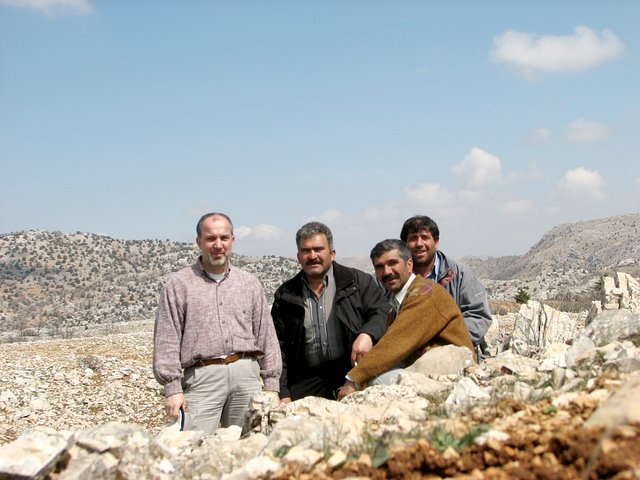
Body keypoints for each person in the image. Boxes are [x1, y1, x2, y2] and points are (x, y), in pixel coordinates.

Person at [153, 212, 281, 434]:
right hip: (202, 379)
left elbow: (265, 335)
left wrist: (271, 385)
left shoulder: (249, 283)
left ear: (232, 240)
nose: (218, 245)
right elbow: (167, 338)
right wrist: (172, 388)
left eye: (224, 238)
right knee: (195, 447)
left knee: (251, 445)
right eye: (211, 239)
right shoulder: (179, 285)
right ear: (199, 242)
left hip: (246, 376)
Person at [338, 239, 474, 399]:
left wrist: (354, 379)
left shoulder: (424, 293)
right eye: (380, 267)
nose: (387, 271)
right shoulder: (398, 302)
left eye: (393, 263)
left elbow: (394, 344)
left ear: (409, 264)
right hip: (427, 369)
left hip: (451, 372)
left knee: (376, 383)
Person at [271, 221, 390, 402]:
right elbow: (279, 348)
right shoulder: (286, 294)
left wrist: (368, 334)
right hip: (306, 377)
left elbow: (381, 311)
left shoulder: (357, 282)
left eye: (319, 249)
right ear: (298, 256)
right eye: (306, 250)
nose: (313, 256)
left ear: (332, 254)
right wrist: (284, 393)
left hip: (350, 371)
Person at [400, 215, 492, 359]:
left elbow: (478, 316)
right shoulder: (394, 276)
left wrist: (438, 341)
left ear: (436, 242)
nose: (419, 243)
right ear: (404, 244)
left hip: (453, 352)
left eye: (425, 237)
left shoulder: (459, 274)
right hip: (405, 353)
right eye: (413, 238)